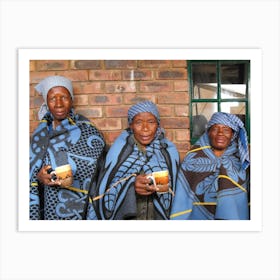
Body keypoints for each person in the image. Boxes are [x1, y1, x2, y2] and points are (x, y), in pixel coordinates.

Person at [29, 75, 106, 220]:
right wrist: (39, 178)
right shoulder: (40, 136)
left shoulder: (88, 130)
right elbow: (27, 175)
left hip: (82, 208)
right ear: (46, 102)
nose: (59, 104)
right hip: (49, 208)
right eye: (52, 98)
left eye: (63, 97)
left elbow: (101, 170)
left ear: (71, 99)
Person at [92, 100, 180, 220]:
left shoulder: (169, 151)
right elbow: (104, 190)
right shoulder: (118, 151)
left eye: (151, 122)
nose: (145, 128)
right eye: (138, 122)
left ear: (158, 124)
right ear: (131, 125)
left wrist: (164, 184)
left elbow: (179, 191)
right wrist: (131, 185)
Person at [170, 112, 250, 220]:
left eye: (226, 130)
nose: (220, 133)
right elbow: (183, 194)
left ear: (233, 135)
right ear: (208, 132)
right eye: (215, 129)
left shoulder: (241, 161)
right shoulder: (193, 157)